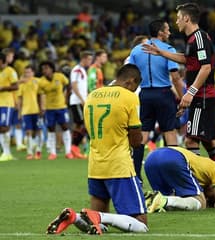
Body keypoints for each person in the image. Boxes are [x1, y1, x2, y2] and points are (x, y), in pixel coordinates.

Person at [46, 64, 148, 235]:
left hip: (95, 166)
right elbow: (136, 141)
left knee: (98, 226)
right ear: (131, 82)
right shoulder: (129, 97)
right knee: (141, 225)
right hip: (119, 166)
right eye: (135, 87)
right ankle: (98, 216)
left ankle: (75, 217)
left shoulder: (92, 96)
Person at [142, 3, 215, 186]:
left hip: (203, 96)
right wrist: (161, 52)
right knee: (209, 142)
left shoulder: (199, 38)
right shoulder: (192, 40)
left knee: (191, 140)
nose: (176, 22)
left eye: (178, 18)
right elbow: (186, 59)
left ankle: (198, 185)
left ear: (186, 19)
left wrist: (190, 92)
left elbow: (206, 67)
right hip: (200, 96)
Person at [126, 19, 183, 181]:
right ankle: (175, 175)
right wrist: (182, 97)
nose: (170, 32)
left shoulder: (136, 51)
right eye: (167, 29)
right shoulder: (168, 50)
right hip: (164, 93)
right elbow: (176, 77)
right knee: (170, 133)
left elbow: (130, 76)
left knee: (143, 135)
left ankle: (135, 176)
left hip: (145, 94)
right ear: (160, 32)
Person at [144, 146, 215, 212]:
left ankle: (145, 201)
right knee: (201, 202)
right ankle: (163, 200)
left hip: (151, 158)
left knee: (164, 203)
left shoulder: (199, 177)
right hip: (173, 157)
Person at [38, 61, 73, 160]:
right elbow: (40, 95)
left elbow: (68, 85)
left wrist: (67, 98)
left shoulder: (60, 77)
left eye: (46, 68)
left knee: (65, 127)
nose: (44, 71)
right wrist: (41, 107)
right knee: (51, 129)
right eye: (43, 69)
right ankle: (53, 153)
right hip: (49, 109)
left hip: (61, 107)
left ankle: (68, 152)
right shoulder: (41, 82)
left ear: (51, 68)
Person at [69, 51, 93, 159]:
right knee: (83, 124)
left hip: (82, 100)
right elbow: (73, 85)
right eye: (89, 59)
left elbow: (83, 87)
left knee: (80, 125)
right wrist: (82, 99)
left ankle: (74, 148)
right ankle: (74, 147)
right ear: (83, 59)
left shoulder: (83, 70)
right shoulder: (76, 70)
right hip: (77, 101)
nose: (90, 61)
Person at [17, 65, 43, 159]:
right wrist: (19, 112)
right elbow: (19, 98)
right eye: (25, 72)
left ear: (33, 73)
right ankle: (30, 152)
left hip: (36, 110)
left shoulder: (38, 81)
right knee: (28, 132)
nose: (27, 74)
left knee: (38, 131)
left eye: (28, 72)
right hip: (26, 111)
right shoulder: (22, 84)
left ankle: (38, 151)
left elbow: (41, 96)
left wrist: (42, 108)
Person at [0, 52, 18, 161]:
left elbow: (16, 86)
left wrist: (2, 88)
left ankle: (6, 153)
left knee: (4, 127)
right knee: (1, 128)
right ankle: (6, 153)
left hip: (6, 103)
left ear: (2, 61)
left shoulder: (10, 71)